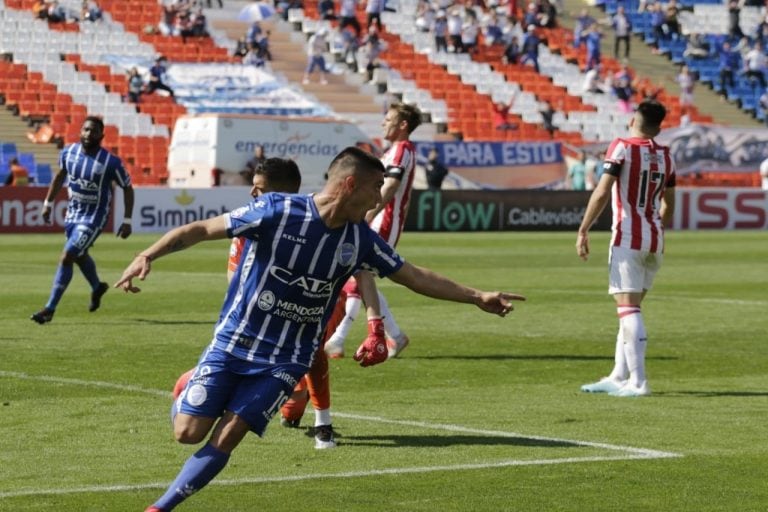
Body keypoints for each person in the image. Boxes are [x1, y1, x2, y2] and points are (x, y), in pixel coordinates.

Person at [115, 147, 524, 512]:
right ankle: (189, 385)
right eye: (375, 187)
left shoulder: (359, 240)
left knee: (230, 434)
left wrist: (475, 296)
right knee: (187, 433)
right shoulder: (277, 210)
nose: (380, 197)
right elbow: (202, 229)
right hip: (233, 342)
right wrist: (147, 254)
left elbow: (413, 276)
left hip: (286, 358)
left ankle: (160, 507)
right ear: (349, 185)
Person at [576, 99, 676, 397]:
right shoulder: (667, 156)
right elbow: (668, 203)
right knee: (631, 308)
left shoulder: (621, 146)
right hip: (654, 239)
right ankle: (618, 375)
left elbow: (603, 190)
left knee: (628, 309)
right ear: (659, 127)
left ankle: (639, 381)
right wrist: (655, 227)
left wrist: (583, 229)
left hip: (627, 236)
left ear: (634, 119)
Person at [324, 103, 422, 359]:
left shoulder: (402, 149)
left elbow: (390, 187)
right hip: (378, 219)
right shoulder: (393, 151)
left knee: (359, 274)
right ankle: (396, 336)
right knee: (359, 276)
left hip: (385, 221)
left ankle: (338, 337)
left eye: (388, 119)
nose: (383, 123)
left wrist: (368, 215)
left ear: (403, 125)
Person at [31, 116, 134, 324]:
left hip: (94, 218)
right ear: (80, 131)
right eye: (86, 130)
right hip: (72, 215)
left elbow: (127, 188)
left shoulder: (110, 162)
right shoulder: (68, 152)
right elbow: (60, 176)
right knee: (80, 255)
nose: (89, 134)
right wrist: (47, 204)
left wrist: (127, 220)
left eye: (94, 131)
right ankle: (97, 287)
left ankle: (49, 308)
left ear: (101, 136)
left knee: (67, 256)